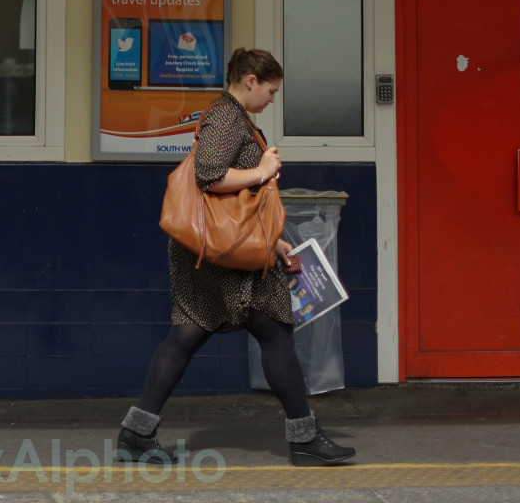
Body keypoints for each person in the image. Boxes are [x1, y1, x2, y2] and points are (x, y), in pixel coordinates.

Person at [115, 47, 356, 469]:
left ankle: (136, 432)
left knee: (189, 334)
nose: (272, 99)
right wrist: (263, 170)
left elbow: (237, 201)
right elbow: (211, 175)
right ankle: (304, 436)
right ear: (250, 80)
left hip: (216, 251)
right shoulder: (227, 117)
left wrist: (274, 242)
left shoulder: (233, 116)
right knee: (274, 332)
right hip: (221, 258)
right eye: (270, 90)